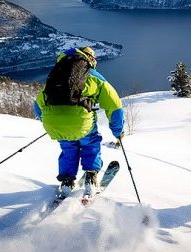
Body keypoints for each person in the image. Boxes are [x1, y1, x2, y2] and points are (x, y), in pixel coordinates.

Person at [34, 47, 124, 198]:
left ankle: (67, 181)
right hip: (81, 123)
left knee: (68, 148)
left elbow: (37, 105)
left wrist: (51, 121)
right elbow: (114, 105)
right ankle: (90, 177)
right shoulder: (93, 76)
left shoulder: (56, 75)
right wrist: (118, 131)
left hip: (53, 123)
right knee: (90, 144)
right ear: (91, 59)